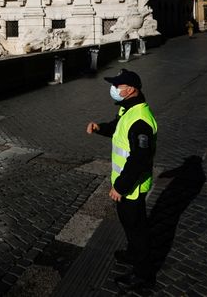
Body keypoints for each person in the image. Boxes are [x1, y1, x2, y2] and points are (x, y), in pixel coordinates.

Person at [86, 69, 158, 292]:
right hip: (126, 185)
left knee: (138, 230)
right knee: (128, 223)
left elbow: (139, 159)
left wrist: (121, 186)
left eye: (118, 86)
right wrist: (99, 127)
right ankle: (132, 254)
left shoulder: (141, 120)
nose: (114, 90)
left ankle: (143, 276)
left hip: (132, 187)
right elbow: (117, 128)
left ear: (131, 90)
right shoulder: (128, 109)